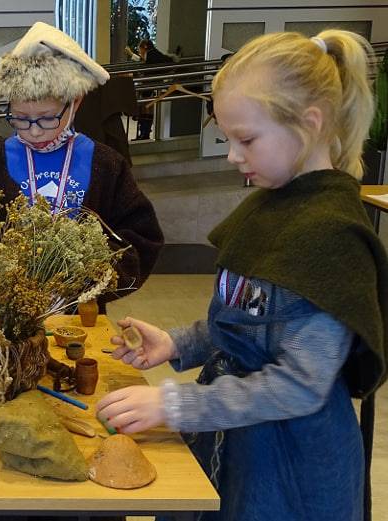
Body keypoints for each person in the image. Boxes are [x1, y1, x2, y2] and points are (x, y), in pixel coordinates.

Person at [96, 30, 388, 520]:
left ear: (310, 124)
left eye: (246, 139)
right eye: (229, 138)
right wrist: (178, 343)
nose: (233, 155)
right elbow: (250, 320)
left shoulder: (330, 235)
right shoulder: (271, 207)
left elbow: (300, 383)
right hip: (241, 437)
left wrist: (177, 405)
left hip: (292, 463)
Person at [0, 21, 163, 311]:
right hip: (3, 312)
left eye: (46, 117)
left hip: (79, 313)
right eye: (20, 118)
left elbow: (142, 236)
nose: (35, 130)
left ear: (75, 103)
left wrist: (96, 273)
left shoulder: (104, 162)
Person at [134, 39, 174, 140]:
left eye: (140, 49)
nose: (140, 52)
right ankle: (144, 132)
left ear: (145, 47)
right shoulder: (155, 54)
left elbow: (149, 72)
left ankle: (144, 133)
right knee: (146, 108)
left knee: (146, 108)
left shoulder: (151, 55)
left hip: (151, 85)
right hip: (155, 83)